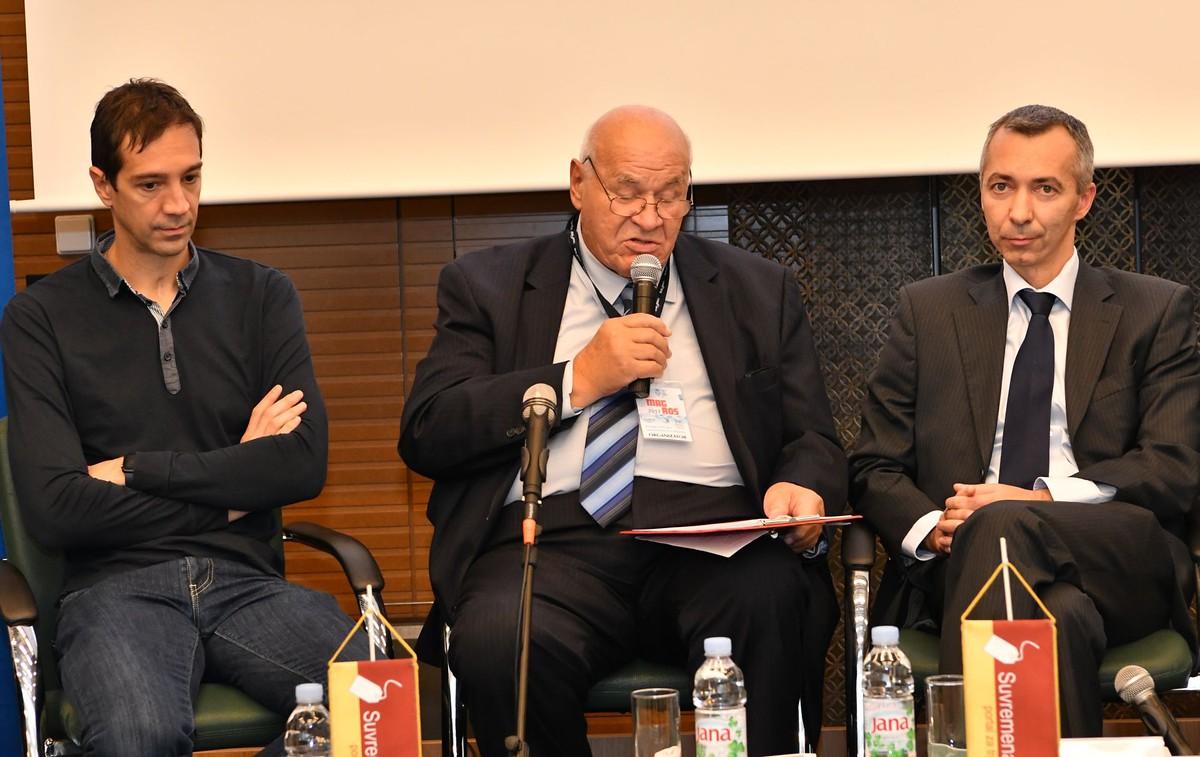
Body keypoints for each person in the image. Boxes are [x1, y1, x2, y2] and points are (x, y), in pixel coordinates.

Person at [400, 105, 845, 756]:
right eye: (628, 192)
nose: (650, 216)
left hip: (710, 539)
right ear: (578, 183)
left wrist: (801, 484)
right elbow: (429, 427)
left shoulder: (757, 289)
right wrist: (576, 378)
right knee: (500, 637)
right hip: (554, 545)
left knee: (774, 596)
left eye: (670, 195)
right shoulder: (488, 285)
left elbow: (813, 438)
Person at [0, 79, 368, 756]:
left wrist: (137, 470)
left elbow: (300, 464)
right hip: (116, 590)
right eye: (151, 184)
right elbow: (57, 508)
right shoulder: (40, 318)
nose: (179, 204)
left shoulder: (262, 295)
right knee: (138, 734)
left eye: (191, 177)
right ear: (103, 185)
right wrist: (233, 488)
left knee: (376, 698)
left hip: (250, 583)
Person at [850, 104, 1199, 735]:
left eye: (1045, 189)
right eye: (1001, 186)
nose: (1019, 212)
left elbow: (1172, 466)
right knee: (1055, 615)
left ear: (1084, 199)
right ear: (981, 195)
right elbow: (875, 464)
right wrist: (936, 530)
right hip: (963, 561)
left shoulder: (1154, 310)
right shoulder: (928, 312)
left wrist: (1034, 499)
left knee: (1003, 521)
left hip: (1118, 558)